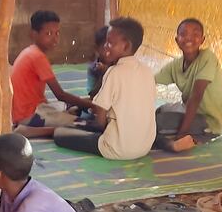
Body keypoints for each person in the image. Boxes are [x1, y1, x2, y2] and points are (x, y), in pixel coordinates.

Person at [52, 17, 157, 159]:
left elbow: (100, 115)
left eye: (110, 43)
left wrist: (95, 128)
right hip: (144, 147)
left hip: (116, 149)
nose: (105, 46)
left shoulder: (114, 72)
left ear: (126, 46)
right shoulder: (147, 71)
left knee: (59, 133)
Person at [11, 10, 94, 139]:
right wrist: (94, 106)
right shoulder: (37, 57)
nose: (55, 38)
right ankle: (29, 130)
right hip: (30, 115)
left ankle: (50, 122)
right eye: (48, 33)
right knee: (86, 125)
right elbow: (60, 94)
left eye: (57, 33)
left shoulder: (30, 52)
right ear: (34, 34)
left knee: (76, 107)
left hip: (28, 110)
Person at [154, 18, 222, 146]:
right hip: (190, 110)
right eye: (184, 34)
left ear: (202, 40)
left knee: (158, 123)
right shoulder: (176, 65)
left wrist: (182, 133)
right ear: (177, 40)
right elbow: (150, 81)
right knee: (159, 111)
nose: (189, 38)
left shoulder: (208, 58)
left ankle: (180, 143)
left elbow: (196, 97)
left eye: (195, 35)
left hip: (210, 120)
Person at [87, 25, 110, 99]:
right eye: (105, 48)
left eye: (111, 46)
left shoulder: (119, 64)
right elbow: (92, 94)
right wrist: (103, 75)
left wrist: (108, 71)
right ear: (96, 48)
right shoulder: (93, 68)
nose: (109, 51)